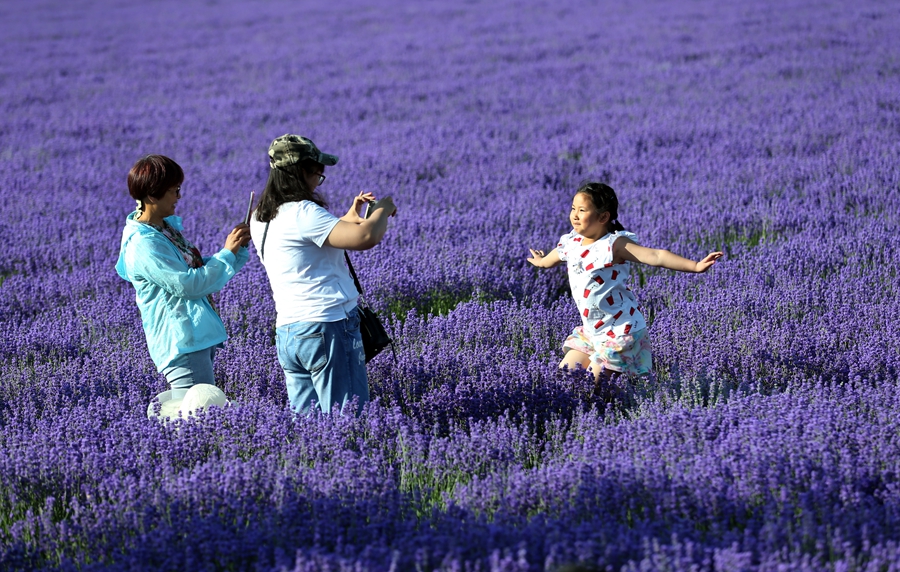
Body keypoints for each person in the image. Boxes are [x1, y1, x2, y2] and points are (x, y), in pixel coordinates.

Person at [527, 181, 722, 395]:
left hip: (621, 330)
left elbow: (656, 256)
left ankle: (633, 405)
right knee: (566, 375)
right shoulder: (572, 241)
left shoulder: (614, 245)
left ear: (603, 217)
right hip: (593, 330)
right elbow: (553, 258)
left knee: (595, 386)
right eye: (573, 208)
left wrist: (695, 266)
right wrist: (540, 261)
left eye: (582, 210)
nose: (574, 215)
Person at [249, 134, 396, 415]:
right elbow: (366, 236)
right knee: (347, 420)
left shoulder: (261, 216)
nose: (319, 178)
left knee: (310, 430)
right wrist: (382, 209)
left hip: (290, 333)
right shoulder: (304, 212)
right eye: (317, 172)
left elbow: (301, 246)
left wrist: (344, 219)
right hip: (327, 327)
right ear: (300, 172)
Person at [115, 154, 251, 400]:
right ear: (152, 195)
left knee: (201, 413)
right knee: (196, 419)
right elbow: (188, 284)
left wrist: (234, 250)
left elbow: (193, 268)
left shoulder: (164, 228)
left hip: (194, 337)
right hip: (181, 342)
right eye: (174, 190)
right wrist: (226, 254)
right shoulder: (144, 243)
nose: (179, 197)